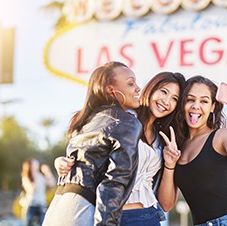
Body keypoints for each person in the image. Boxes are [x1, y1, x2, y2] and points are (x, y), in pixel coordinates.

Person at [54, 71, 186, 226]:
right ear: (151, 89)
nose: (166, 101)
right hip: (113, 216)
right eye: (164, 92)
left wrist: (170, 164)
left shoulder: (164, 140)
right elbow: (85, 150)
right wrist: (61, 162)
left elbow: (166, 205)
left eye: (174, 99)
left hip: (149, 216)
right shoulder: (120, 120)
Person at [42, 61, 143, 226]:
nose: (138, 88)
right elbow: (115, 182)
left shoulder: (86, 120)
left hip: (57, 207)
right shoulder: (126, 122)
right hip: (82, 210)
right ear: (111, 89)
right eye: (131, 83)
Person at [158, 76, 227, 226]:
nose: (196, 106)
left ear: (212, 107)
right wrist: (169, 164)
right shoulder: (175, 145)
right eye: (190, 99)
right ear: (182, 104)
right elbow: (166, 205)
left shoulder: (221, 136)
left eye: (204, 101)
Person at [21, 158, 56, 226]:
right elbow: (32, 190)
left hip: (42, 205)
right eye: (35, 163)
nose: (37, 164)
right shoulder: (26, 177)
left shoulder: (41, 176)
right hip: (31, 205)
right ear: (30, 166)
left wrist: (47, 172)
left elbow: (52, 184)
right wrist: (35, 175)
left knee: (43, 223)